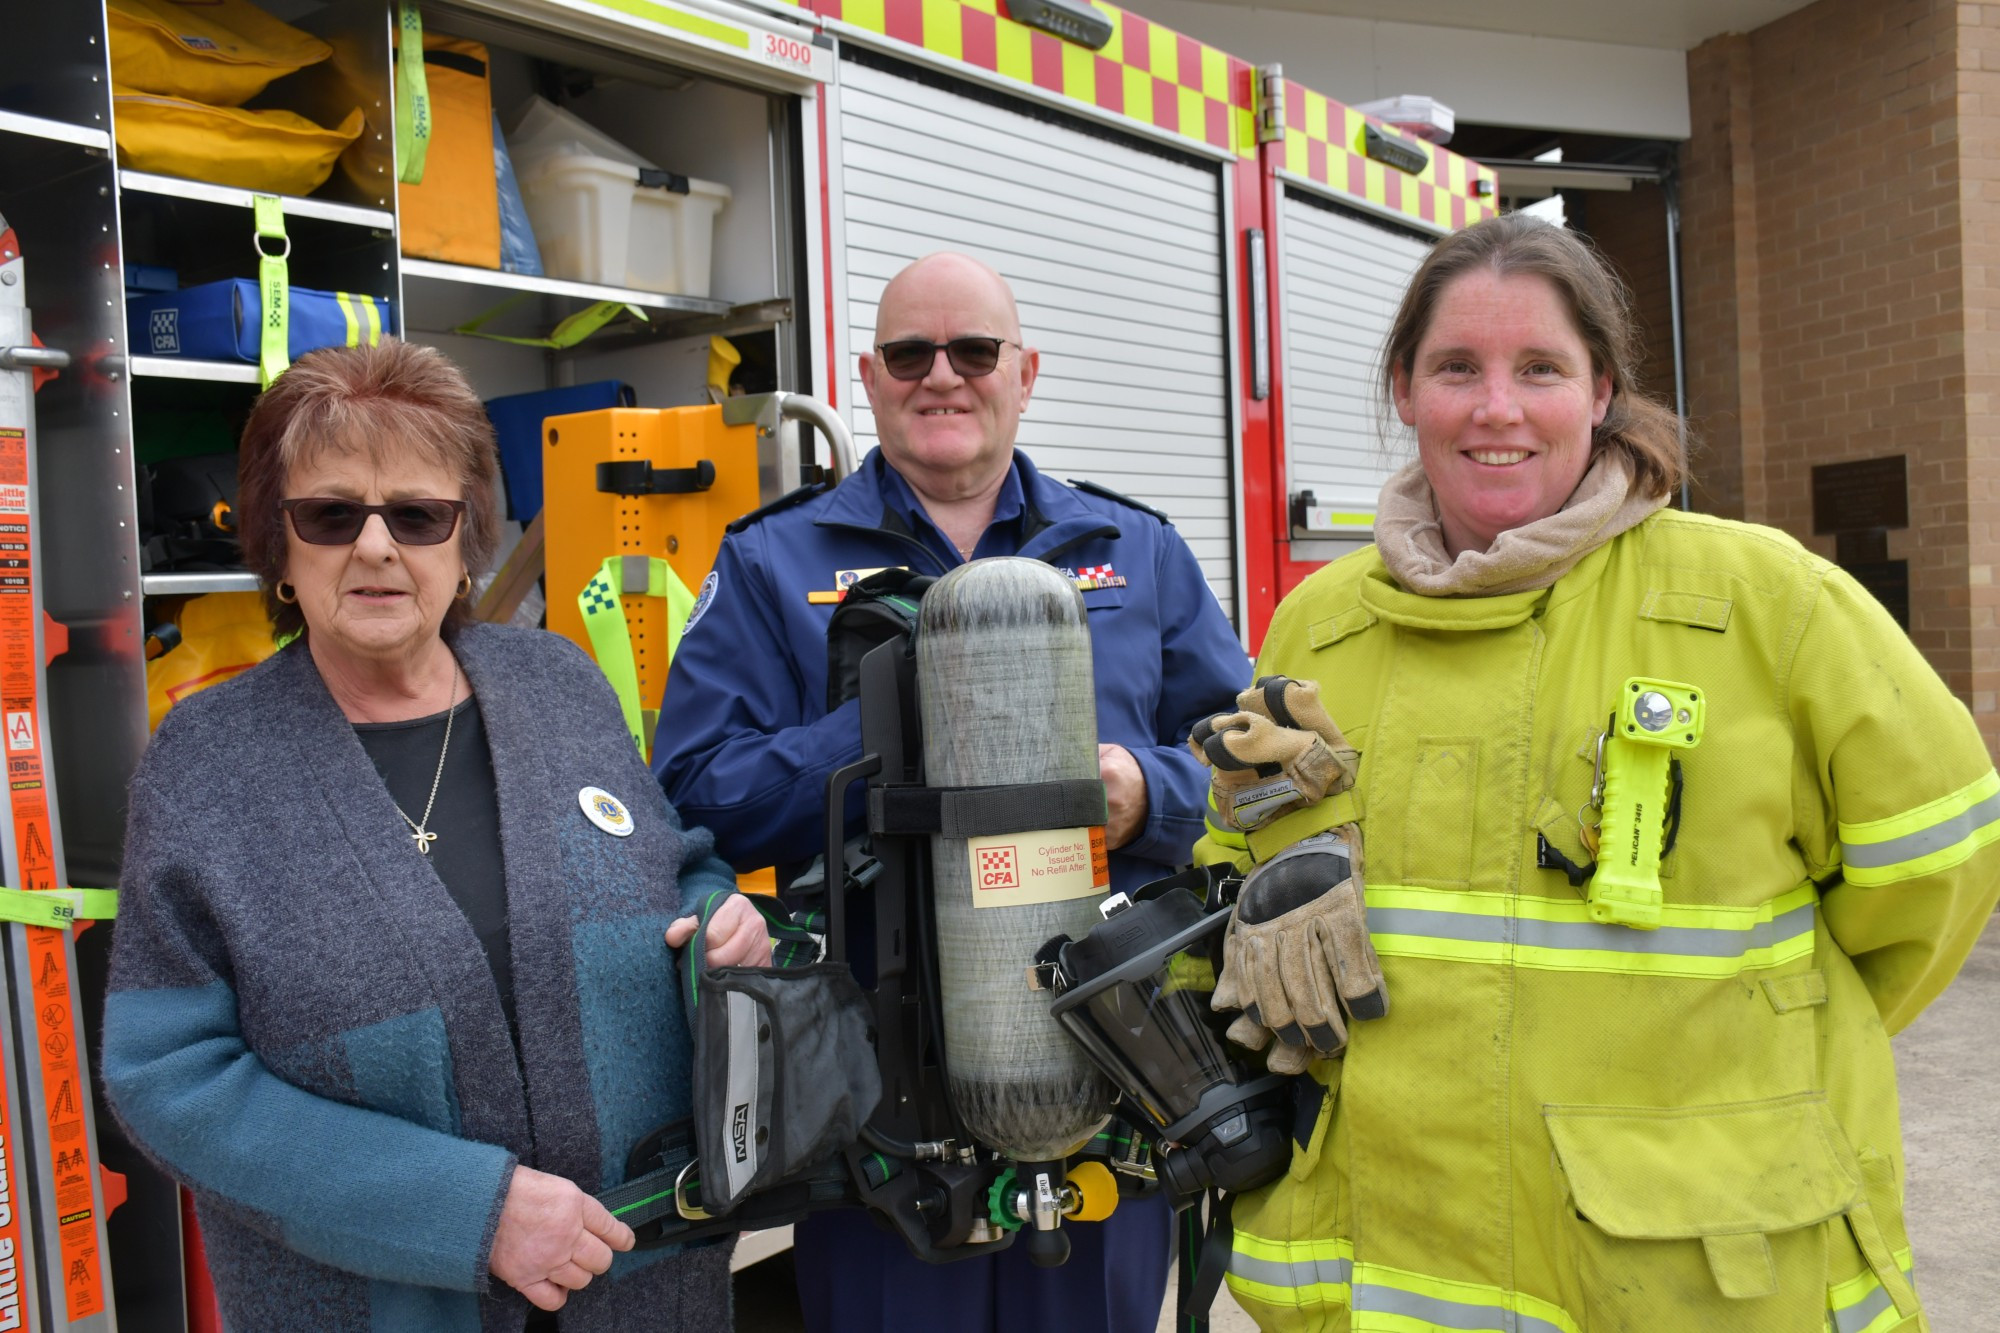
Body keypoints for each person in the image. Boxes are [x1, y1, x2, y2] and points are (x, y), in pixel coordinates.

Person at [1196, 212, 2000, 1333]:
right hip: (1377, 1267)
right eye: (1454, 369)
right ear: (1402, 389)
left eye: (1539, 368)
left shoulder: (1765, 604)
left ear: (1602, 390)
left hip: (1691, 1272)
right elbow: (1239, 861)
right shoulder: (1318, 624)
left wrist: (1758, 1024)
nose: (1495, 409)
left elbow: (1935, 877)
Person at [101, 340, 770, 1332]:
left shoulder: (557, 684)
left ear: (466, 539)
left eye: (416, 514)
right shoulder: (208, 761)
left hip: (646, 1291)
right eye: (331, 514)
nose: (376, 546)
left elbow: (679, 865)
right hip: (374, 1308)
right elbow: (170, 1079)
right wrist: (467, 1214)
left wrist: (720, 917)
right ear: (279, 543)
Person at [655, 252, 1251, 1332]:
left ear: (1024, 372)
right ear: (868, 378)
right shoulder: (769, 561)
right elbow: (694, 788)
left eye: (973, 351)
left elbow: (1248, 764)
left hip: (1107, 1069)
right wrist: (893, 726)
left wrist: (1147, 793)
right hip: (872, 1093)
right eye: (907, 354)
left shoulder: (1136, 552)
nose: (942, 375)